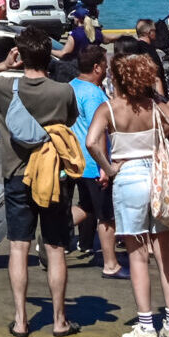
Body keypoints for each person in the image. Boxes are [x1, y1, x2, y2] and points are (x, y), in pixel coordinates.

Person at [0, 32, 83, 337]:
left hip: (16, 175)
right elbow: (70, 121)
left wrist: (2, 65)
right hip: (53, 177)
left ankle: (22, 320)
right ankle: (60, 320)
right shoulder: (63, 91)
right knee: (55, 248)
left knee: (18, 248)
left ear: (20, 56)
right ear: (49, 55)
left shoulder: (3, 87)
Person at [91, 53, 169, 337]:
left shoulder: (110, 109)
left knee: (137, 254)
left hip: (128, 178)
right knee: (165, 253)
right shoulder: (157, 107)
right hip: (158, 178)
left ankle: (146, 326)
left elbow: (92, 142)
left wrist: (109, 167)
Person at [67, 46, 118, 277]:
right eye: (105, 65)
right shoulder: (95, 94)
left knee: (86, 206)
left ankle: (56, 230)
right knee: (105, 215)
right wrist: (105, 167)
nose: (107, 69)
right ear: (96, 67)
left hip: (73, 160)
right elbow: (97, 132)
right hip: (93, 162)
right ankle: (110, 263)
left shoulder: (71, 86)